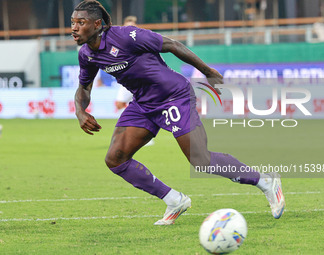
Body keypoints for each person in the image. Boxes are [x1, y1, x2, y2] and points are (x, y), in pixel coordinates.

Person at [72, 0, 285, 225]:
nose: (74, 28)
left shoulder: (126, 36)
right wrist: (80, 111)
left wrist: (207, 71)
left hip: (174, 97)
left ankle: (265, 181)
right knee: (115, 159)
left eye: (80, 22)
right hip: (143, 104)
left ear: (97, 24)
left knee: (200, 160)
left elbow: (172, 44)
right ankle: (174, 200)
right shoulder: (87, 54)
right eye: (73, 22)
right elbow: (84, 87)